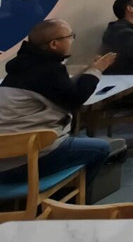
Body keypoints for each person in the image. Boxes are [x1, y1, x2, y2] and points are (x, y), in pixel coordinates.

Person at [0, 20, 117, 185]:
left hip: (7, 155)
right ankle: (71, 197)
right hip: (26, 158)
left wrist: (90, 69)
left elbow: (63, 90)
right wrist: (97, 70)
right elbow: (75, 99)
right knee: (101, 148)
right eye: (70, 36)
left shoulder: (26, 65)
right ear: (54, 44)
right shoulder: (48, 70)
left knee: (81, 139)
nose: (72, 40)